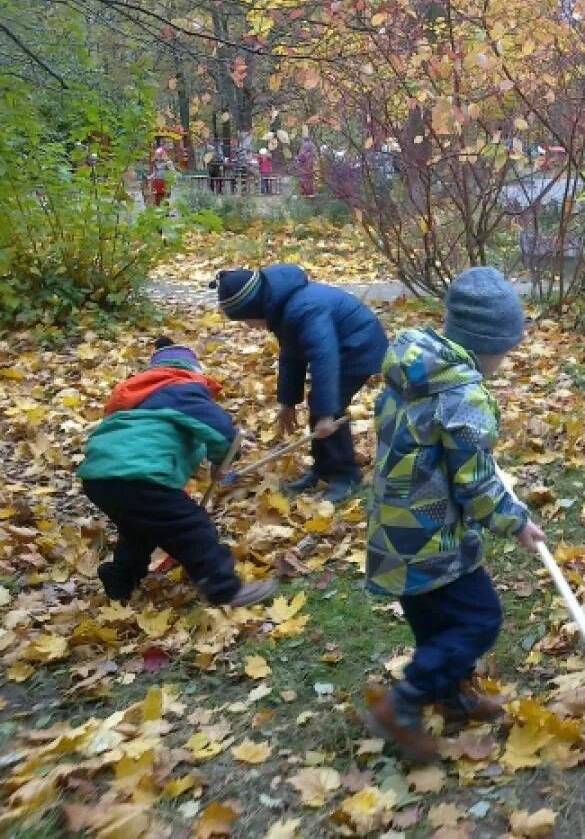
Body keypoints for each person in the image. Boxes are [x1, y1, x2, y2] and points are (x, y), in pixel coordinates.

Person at [360, 267, 546, 760]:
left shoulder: (412, 373)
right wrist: (516, 520)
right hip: (430, 536)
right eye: (508, 350)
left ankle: (451, 692)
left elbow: (443, 456)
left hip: (394, 530)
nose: (507, 360)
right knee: (479, 620)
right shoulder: (463, 398)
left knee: (436, 625)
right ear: (490, 345)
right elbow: (477, 485)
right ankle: (403, 703)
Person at [78, 338, 277, 606]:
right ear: (193, 370)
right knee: (192, 527)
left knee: (138, 531)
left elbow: (150, 441)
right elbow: (222, 431)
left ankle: (120, 579)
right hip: (139, 475)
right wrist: (221, 461)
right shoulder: (182, 388)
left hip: (98, 478)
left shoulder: (134, 398)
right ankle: (223, 588)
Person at [211, 265, 388, 503]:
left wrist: (326, 413)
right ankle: (323, 468)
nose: (248, 326)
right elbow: (292, 356)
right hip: (340, 348)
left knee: (328, 409)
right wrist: (288, 402)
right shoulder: (282, 309)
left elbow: (324, 357)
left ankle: (346, 477)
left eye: (246, 319)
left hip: (359, 347)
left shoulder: (304, 309)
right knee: (319, 406)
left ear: (255, 307)